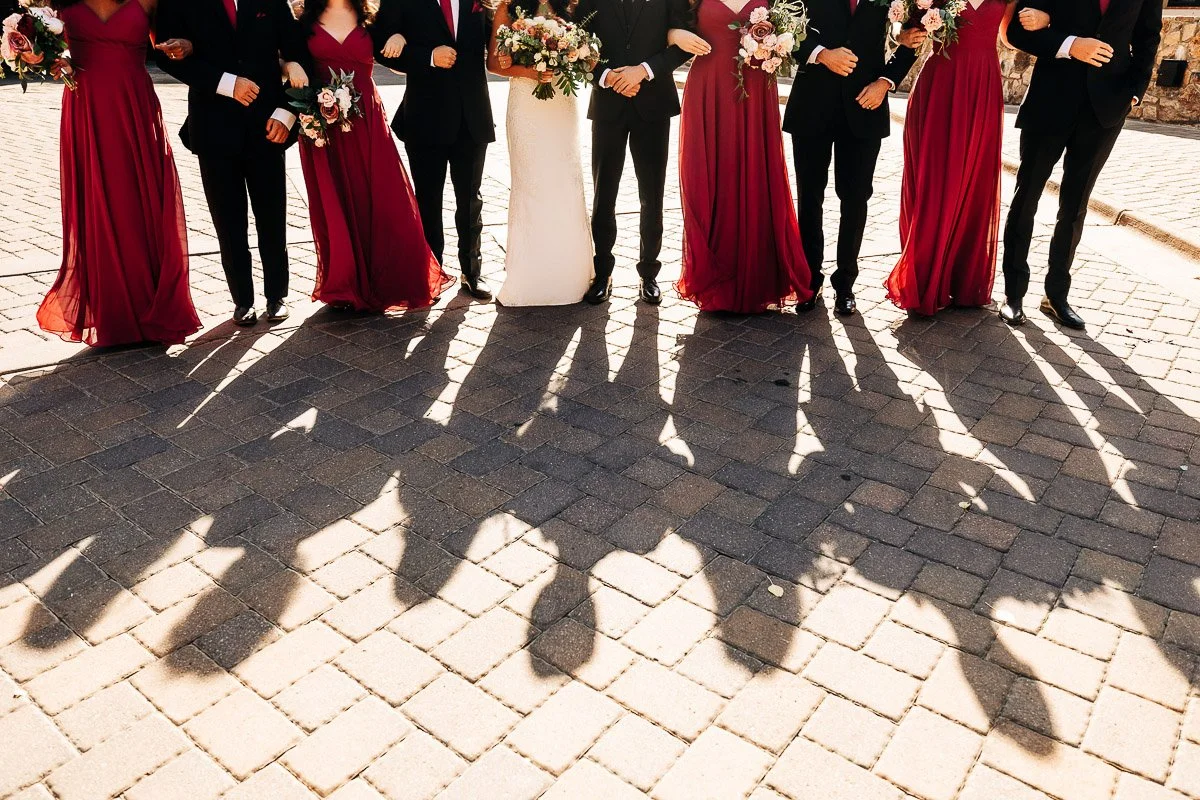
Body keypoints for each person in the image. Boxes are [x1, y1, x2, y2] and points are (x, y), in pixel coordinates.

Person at [37, 0, 201, 347]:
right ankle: (110, 312)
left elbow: (172, 43)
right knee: (96, 202)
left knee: (136, 203)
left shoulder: (149, 1)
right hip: (86, 106)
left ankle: (150, 305)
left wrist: (184, 45)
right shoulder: (60, 2)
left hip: (133, 107)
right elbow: (53, 46)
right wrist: (53, 59)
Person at [999, 0, 1161, 329]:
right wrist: (1070, 45)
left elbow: (1148, 37)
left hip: (1106, 108)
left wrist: (1134, 92)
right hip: (1051, 98)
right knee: (1026, 197)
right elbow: (1016, 31)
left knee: (1075, 207)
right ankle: (1013, 295)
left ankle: (1056, 296)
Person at [286, 0, 452, 312]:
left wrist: (399, 37)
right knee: (336, 201)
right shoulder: (302, 21)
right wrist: (289, 65)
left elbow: (398, 50)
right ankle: (345, 285)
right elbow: (285, 56)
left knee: (385, 198)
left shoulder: (372, 19)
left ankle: (396, 280)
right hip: (325, 127)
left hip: (368, 123)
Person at [155, 0, 305, 327]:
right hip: (213, 128)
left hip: (269, 124)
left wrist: (287, 112)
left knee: (272, 216)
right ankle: (242, 301)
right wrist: (225, 83)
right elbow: (163, 55)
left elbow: (298, 53)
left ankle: (277, 295)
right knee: (228, 222)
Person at [673, 0, 813, 314]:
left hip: (756, 87)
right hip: (710, 88)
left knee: (756, 175)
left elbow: (793, 32)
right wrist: (674, 35)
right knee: (712, 176)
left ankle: (760, 276)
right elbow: (668, 25)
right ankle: (715, 276)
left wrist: (776, 46)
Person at [785, 0, 923, 317]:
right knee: (810, 196)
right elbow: (785, 30)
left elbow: (914, 37)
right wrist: (821, 54)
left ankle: (845, 285)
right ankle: (809, 281)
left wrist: (885, 83)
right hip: (812, 104)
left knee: (856, 198)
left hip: (865, 104)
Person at [883, 0, 1015, 317]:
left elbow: (1010, 38)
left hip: (982, 86)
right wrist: (901, 33)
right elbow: (905, 29)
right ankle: (923, 277)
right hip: (940, 86)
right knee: (934, 183)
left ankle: (961, 278)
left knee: (974, 183)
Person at [575, 0, 697, 305]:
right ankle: (602, 273)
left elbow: (683, 45)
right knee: (604, 193)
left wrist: (643, 71)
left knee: (652, 195)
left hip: (654, 104)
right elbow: (576, 42)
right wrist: (607, 76)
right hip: (608, 103)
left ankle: (649, 273)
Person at [373, 0, 496, 301]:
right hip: (425, 116)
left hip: (472, 115)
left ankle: (472, 272)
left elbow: (499, 38)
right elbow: (380, 47)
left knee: (470, 200)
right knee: (428, 200)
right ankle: (432, 273)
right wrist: (427, 56)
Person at [485, 0, 594, 306]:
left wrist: (578, 56)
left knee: (564, 182)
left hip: (561, 104)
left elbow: (589, 59)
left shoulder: (571, 7)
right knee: (530, 184)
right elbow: (494, 63)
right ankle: (530, 275)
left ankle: (570, 273)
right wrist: (531, 72)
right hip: (526, 105)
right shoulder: (508, 8)